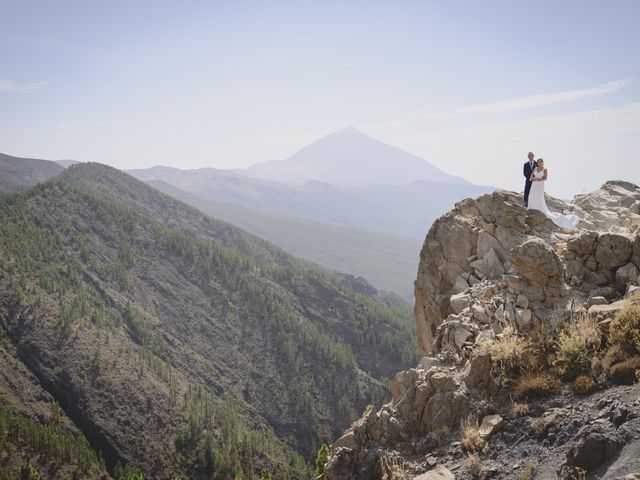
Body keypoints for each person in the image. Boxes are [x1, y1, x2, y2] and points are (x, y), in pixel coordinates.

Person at [527, 158, 579, 229]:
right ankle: (531, 208)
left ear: (542, 162)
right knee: (532, 195)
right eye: (538, 162)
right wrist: (533, 179)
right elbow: (530, 177)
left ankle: (539, 209)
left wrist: (538, 179)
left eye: (541, 162)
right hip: (534, 185)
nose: (540, 163)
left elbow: (545, 178)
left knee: (539, 197)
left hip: (540, 185)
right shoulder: (535, 168)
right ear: (537, 163)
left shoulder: (545, 169)